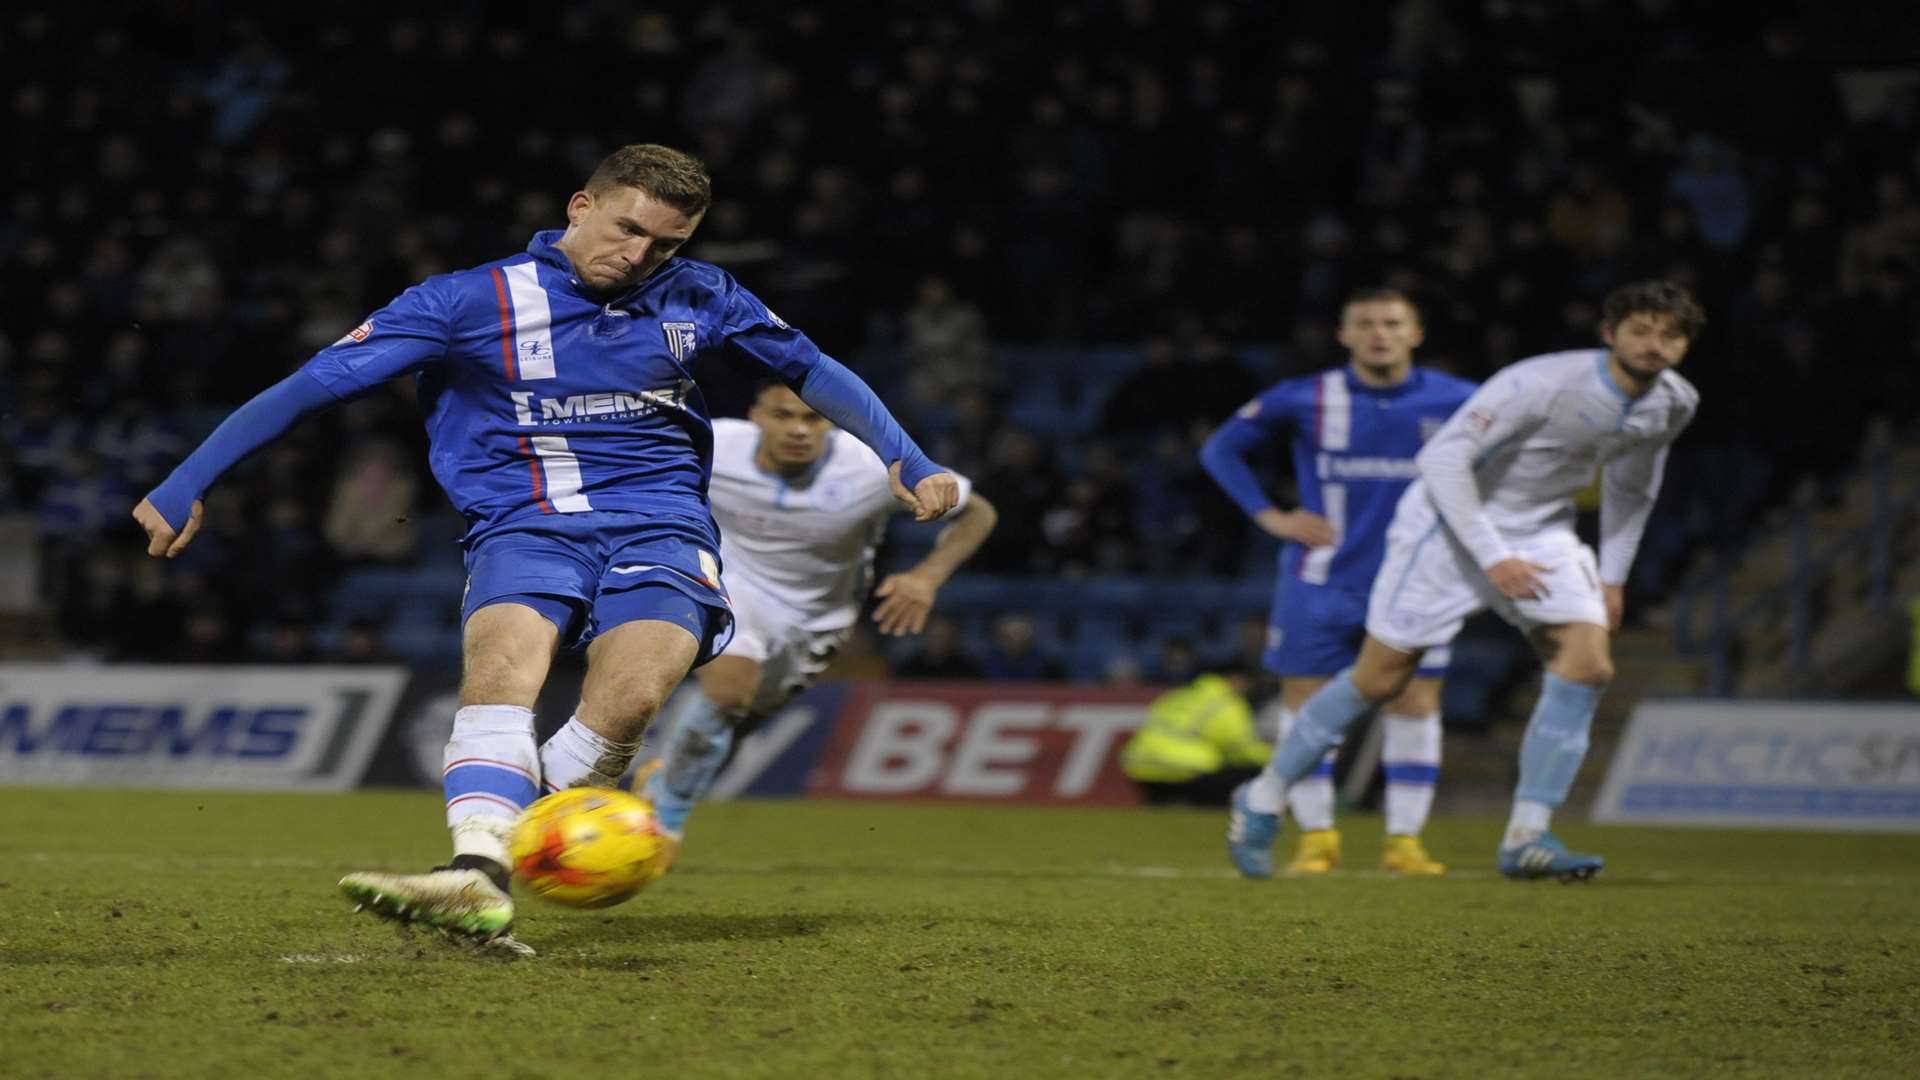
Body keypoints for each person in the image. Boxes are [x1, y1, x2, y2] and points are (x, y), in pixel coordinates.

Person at [131, 144, 959, 952]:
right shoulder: (464, 302)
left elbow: (814, 369)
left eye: (665, 244)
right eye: (627, 230)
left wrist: (905, 455)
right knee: (500, 672)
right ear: (581, 206)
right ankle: (479, 869)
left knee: (630, 702)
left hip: (661, 524)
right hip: (523, 524)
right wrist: (189, 479)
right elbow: (311, 386)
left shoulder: (701, 294)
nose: (639, 256)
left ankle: (490, 860)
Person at [1226, 280, 1703, 882]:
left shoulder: (1675, 401)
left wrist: (1612, 576)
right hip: (1447, 531)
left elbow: (1633, 484)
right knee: (1380, 678)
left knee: (1586, 666)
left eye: (1671, 335)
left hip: (1541, 535)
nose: (1655, 345)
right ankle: (1262, 797)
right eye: (1642, 331)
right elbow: (1442, 460)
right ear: (1609, 334)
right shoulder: (1543, 382)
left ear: (1686, 345)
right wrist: (1491, 556)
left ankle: (1527, 835)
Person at [640, 380, 997, 849]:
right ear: (756, 416)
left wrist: (926, 577)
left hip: (818, 616)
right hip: (731, 585)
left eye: (812, 418)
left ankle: (670, 775)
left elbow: (979, 514)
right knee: (729, 691)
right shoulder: (713, 445)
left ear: (830, 422)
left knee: (739, 717)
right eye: (782, 415)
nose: (798, 430)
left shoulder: (872, 467)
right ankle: (662, 821)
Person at [1201, 288, 1475, 874]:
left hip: (1418, 584)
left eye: (1393, 323)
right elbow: (1222, 449)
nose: (1380, 333)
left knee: (1417, 699)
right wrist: (1269, 516)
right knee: (1305, 703)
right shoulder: (1306, 397)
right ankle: (1317, 838)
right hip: (1319, 581)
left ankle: (1404, 841)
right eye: (1366, 324)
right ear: (1345, 335)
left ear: (1416, 334)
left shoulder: (1460, 401)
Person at [1120, 668, 1271, 806]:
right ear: (1237, 679)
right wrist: (1275, 758)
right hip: (1185, 766)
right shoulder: (1227, 703)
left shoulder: (1179, 694)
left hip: (1139, 763)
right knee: (1247, 773)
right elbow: (1241, 748)